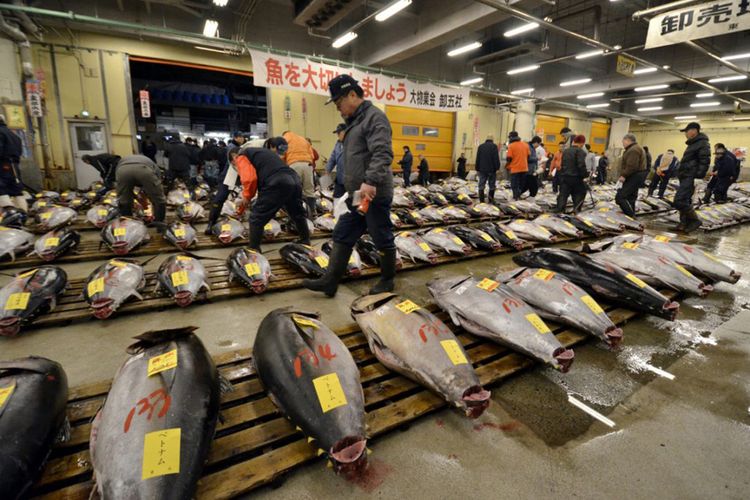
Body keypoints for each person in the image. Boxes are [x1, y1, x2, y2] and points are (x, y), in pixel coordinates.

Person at [303, 74, 395, 297]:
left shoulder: (374, 118)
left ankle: (387, 280)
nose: (338, 108)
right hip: (357, 194)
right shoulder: (354, 122)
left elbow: (383, 153)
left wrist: (371, 181)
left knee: (380, 234)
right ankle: (330, 281)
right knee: (343, 232)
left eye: (338, 102)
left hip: (373, 192)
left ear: (352, 95)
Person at [230, 137, 310, 253]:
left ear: (234, 158)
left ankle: (254, 249)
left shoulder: (242, 156)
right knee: (297, 213)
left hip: (277, 182)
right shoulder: (263, 153)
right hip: (294, 180)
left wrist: (246, 197)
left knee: (256, 217)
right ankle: (305, 240)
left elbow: (250, 179)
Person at [674, 122, 711, 233]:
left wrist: (699, 176)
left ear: (694, 131)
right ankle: (683, 224)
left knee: (679, 200)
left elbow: (705, 160)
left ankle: (695, 221)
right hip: (686, 175)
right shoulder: (693, 143)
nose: (685, 134)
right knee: (685, 199)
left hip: (691, 176)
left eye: (687, 131)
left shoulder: (702, 143)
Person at [115, 154, 167, 226]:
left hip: (122, 171)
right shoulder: (151, 163)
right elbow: (157, 181)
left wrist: (135, 196)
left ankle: (128, 224)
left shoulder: (123, 161)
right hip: (143, 170)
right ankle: (159, 223)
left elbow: (125, 189)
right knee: (158, 198)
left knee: (124, 199)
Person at [282, 130, 316, 218]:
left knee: (294, 190)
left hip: (294, 164)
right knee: (309, 190)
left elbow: (282, 155)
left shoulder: (284, 139)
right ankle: (311, 213)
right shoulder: (303, 139)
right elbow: (312, 156)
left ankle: (296, 215)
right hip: (308, 165)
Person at [615, 134, 648, 217]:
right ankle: (630, 217)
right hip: (637, 175)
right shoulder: (636, 148)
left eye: (623, 142)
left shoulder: (633, 150)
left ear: (628, 140)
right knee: (631, 197)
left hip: (634, 176)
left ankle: (630, 215)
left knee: (620, 197)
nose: (623, 144)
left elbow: (632, 165)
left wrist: (623, 175)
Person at [554, 135, 588, 213]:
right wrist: (585, 175)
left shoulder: (565, 151)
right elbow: (581, 165)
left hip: (565, 177)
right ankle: (576, 210)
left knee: (563, 195)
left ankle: (560, 211)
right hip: (576, 178)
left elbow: (562, 164)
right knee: (580, 193)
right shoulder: (580, 151)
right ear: (582, 143)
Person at [0, 114, 26, 211]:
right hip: (14, 165)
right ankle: (22, 213)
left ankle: (9, 213)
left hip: (3, 165)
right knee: (16, 190)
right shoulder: (13, 135)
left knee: (1, 189)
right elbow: (19, 151)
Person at [505, 131, 529, 200]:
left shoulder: (511, 146)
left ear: (511, 137)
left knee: (514, 185)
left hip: (515, 169)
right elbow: (528, 156)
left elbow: (509, 158)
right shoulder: (525, 145)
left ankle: (516, 198)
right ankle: (518, 195)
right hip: (524, 168)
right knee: (521, 184)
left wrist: (507, 165)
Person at [475, 136, 500, 203]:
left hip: (482, 169)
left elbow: (478, 158)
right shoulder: (494, 146)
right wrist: (497, 167)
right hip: (492, 170)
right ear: (492, 140)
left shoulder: (481, 146)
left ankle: (482, 201)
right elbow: (496, 158)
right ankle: (490, 200)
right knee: (491, 185)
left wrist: (477, 168)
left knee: (481, 184)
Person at [326, 123, 347, 198]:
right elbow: (332, 158)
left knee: (351, 205)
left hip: (351, 181)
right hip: (340, 179)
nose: (337, 135)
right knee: (337, 200)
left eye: (339, 133)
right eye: (337, 133)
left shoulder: (353, 144)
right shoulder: (338, 144)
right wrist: (327, 171)